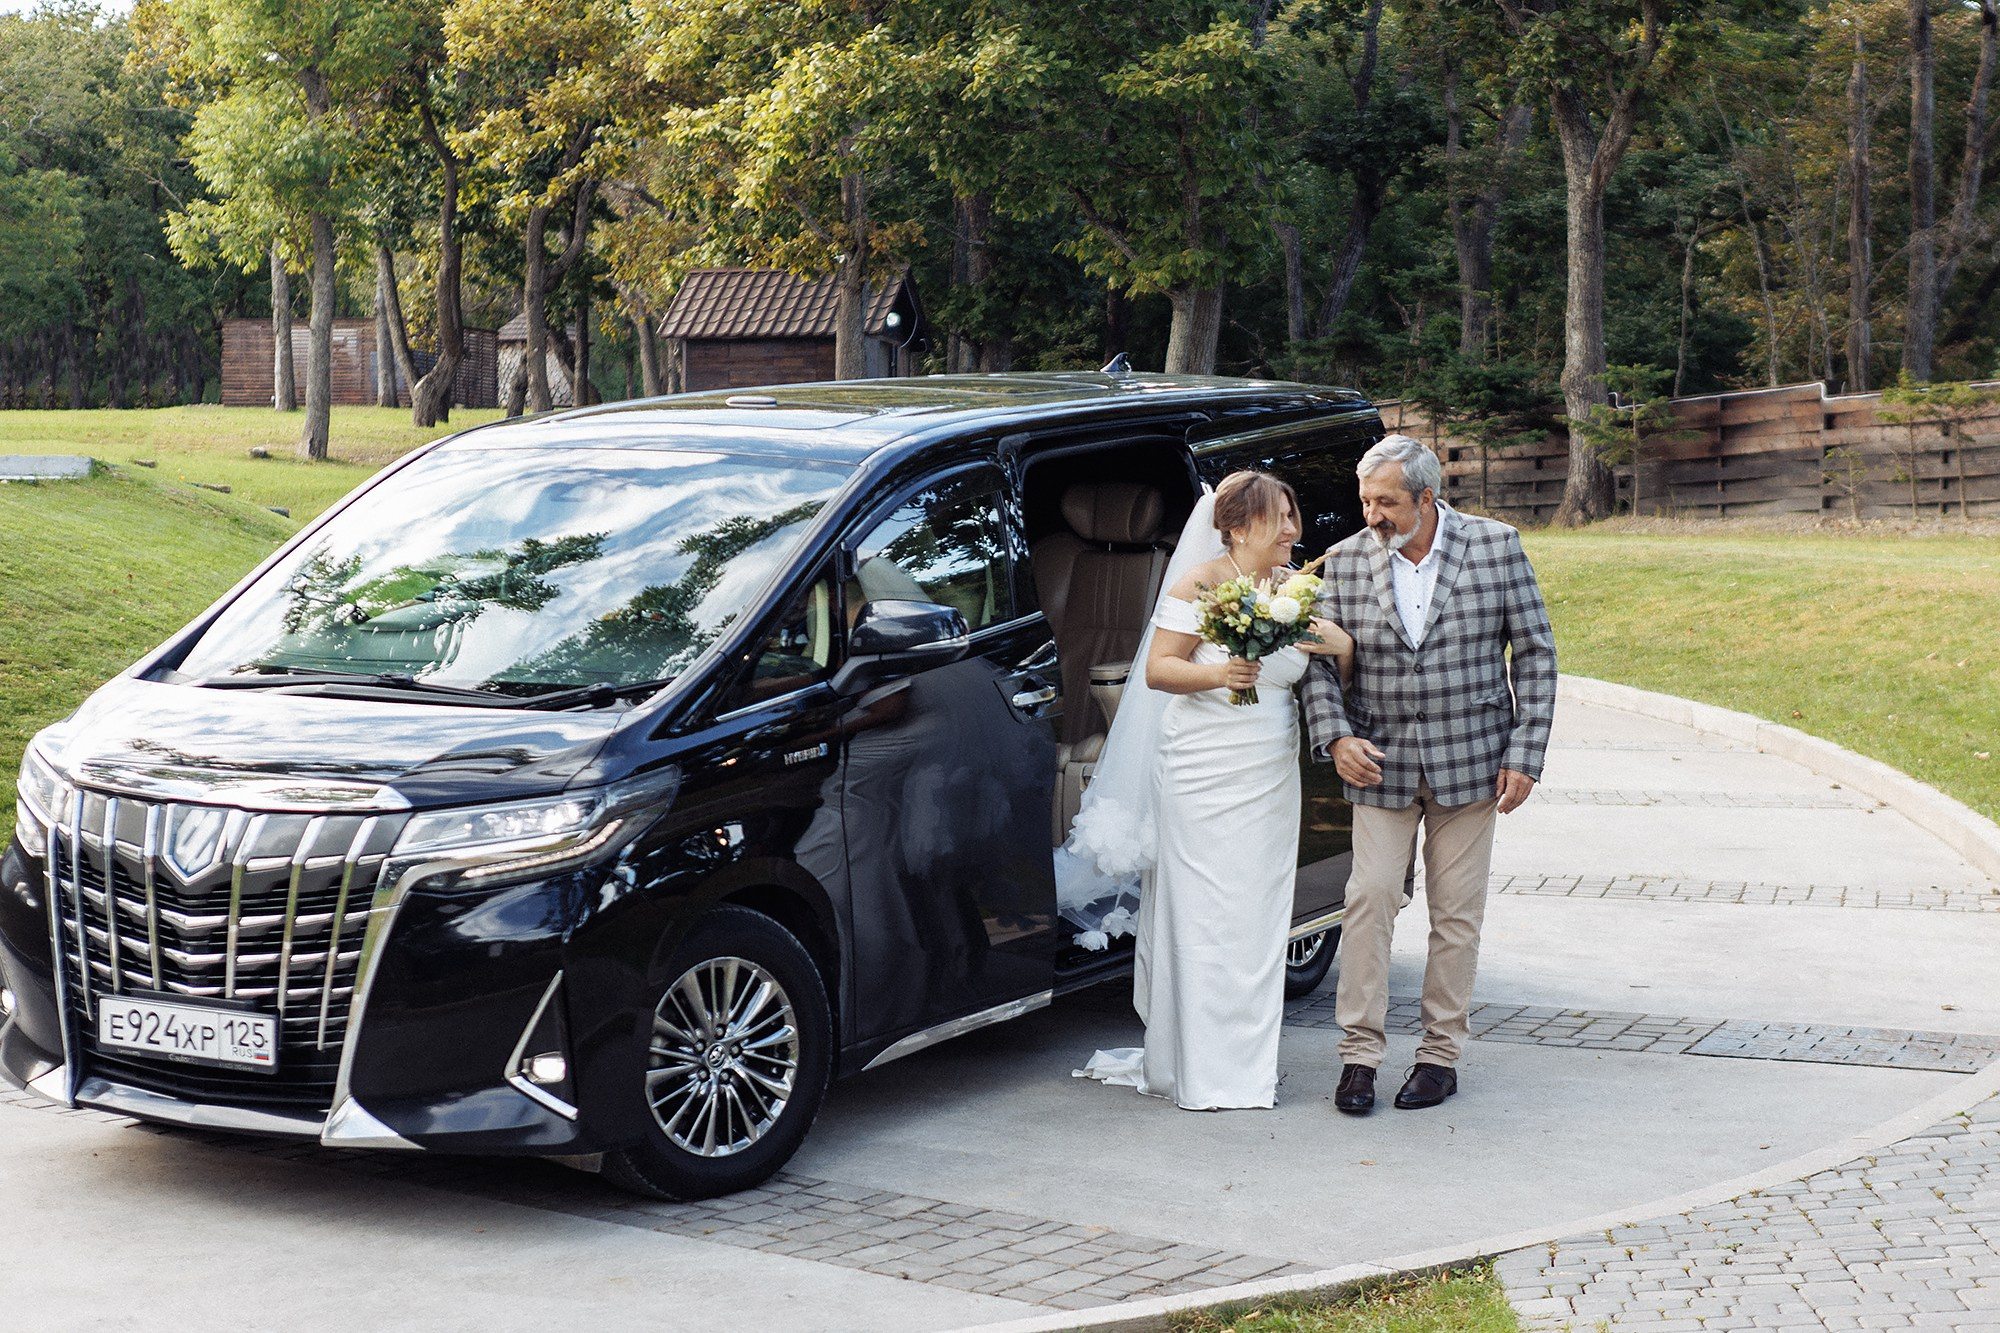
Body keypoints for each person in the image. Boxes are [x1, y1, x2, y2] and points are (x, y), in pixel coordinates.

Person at [1074, 471, 1354, 1110]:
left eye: (1293, 516)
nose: (1293, 529)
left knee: (1256, 913)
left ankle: (1242, 1065)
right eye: (1278, 517)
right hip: (1201, 768)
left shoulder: (1294, 591)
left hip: (1268, 768)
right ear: (1234, 526)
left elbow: (1331, 661)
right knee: (1204, 912)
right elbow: (1159, 669)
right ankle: (1197, 1066)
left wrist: (1343, 645)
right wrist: (1222, 674)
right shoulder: (1199, 585)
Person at [1300, 434, 1556, 1114]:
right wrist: (1335, 736)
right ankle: (1359, 1058)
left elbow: (1534, 652)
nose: (1372, 513)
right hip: (1376, 759)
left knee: (1456, 915)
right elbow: (1319, 660)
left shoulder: (1496, 547)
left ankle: (1439, 1056)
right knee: (1369, 898)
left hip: (1471, 760)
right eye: (1365, 500)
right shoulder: (1347, 561)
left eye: (1385, 501)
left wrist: (1525, 754)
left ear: (1425, 497)